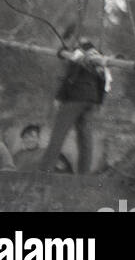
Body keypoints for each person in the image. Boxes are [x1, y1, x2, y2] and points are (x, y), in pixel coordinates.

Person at [41, 39, 110, 173]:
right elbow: (104, 82)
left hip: (75, 98)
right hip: (91, 100)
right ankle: (83, 175)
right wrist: (100, 102)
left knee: (58, 134)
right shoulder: (98, 59)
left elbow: (69, 77)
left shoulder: (78, 55)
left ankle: (45, 170)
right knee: (85, 139)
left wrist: (59, 97)